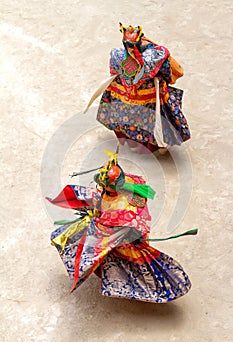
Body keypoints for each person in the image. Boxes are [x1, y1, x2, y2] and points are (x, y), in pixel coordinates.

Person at [46, 148, 197, 302]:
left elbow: (106, 225)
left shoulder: (122, 206)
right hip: (116, 231)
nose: (102, 189)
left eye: (105, 187)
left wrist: (95, 218)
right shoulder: (129, 185)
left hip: (122, 238)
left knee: (129, 266)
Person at [85, 23, 190, 154]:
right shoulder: (154, 57)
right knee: (156, 119)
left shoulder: (117, 56)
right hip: (147, 99)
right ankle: (159, 147)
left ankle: (131, 144)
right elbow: (167, 71)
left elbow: (112, 72)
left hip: (123, 97)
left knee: (125, 118)